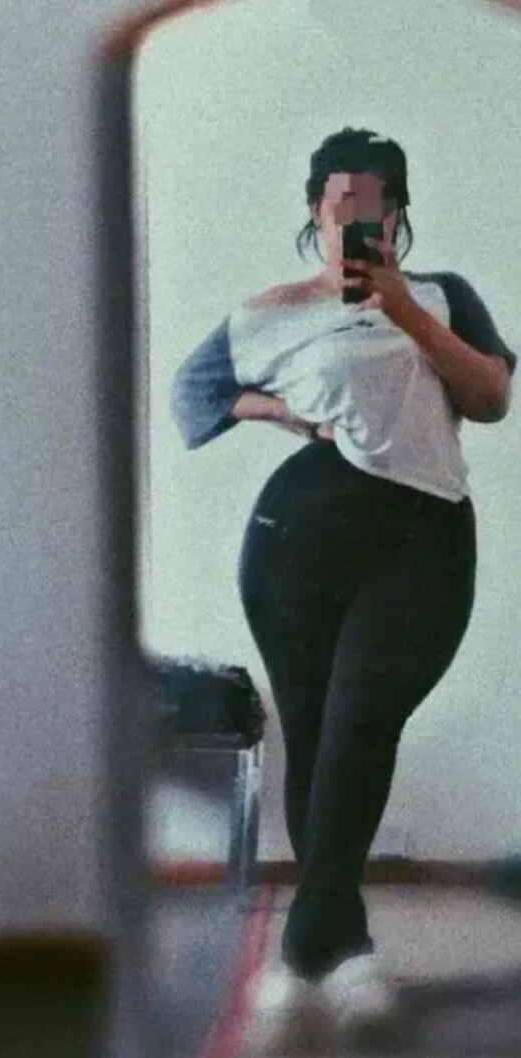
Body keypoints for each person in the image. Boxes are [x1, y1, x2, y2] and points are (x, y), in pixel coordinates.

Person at [170, 126, 517, 1035]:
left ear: (397, 217)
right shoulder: (267, 314)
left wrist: (404, 311)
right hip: (296, 539)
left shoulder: (443, 297)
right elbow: (191, 395)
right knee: (319, 733)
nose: (357, 221)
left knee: (364, 720)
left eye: (376, 208)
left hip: (421, 539)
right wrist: (276, 410)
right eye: (340, 206)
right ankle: (344, 949)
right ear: (315, 213)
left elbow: (490, 398)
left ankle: (300, 953)